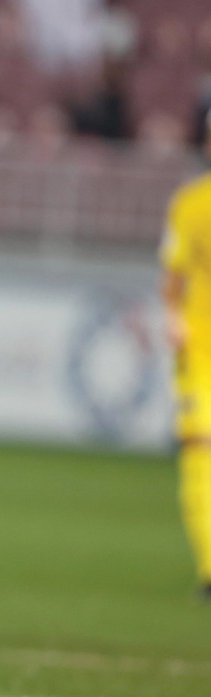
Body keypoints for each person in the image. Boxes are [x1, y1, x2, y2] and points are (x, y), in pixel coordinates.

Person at [160, 109, 211, 600]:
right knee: (200, 455)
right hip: (201, 350)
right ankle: (210, 569)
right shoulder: (191, 203)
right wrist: (173, 317)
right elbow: (171, 278)